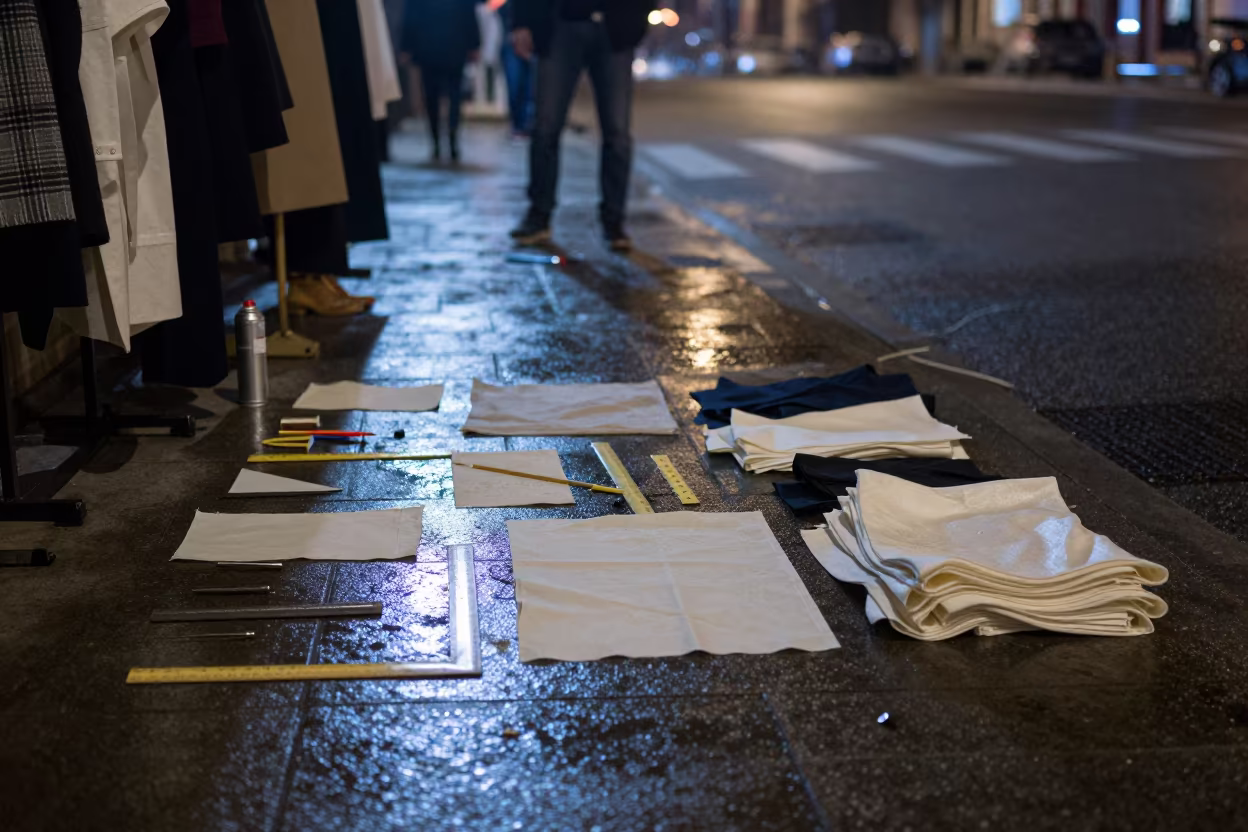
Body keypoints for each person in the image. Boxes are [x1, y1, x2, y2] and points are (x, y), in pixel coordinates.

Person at [507, 0, 651, 250]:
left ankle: (614, 222)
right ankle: (539, 216)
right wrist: (522, 22)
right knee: (545, 128)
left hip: (614, 27)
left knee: (617, 133)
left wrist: (637, 21)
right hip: (559, 23)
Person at [401, 0, 481, 161]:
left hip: (428, 44)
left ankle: (437, 141)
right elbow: (469, 13)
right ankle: (451, 140)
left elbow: (411, 15)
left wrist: (407, 46)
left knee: (432, 97)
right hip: (454, 44)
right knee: (453, 96)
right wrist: (474, 44)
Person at [497, 0, 533, 137]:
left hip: (534, 42)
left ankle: (527, 122)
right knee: (515, 85)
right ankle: (518, 123)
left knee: (530, 86)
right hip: (510, 42)